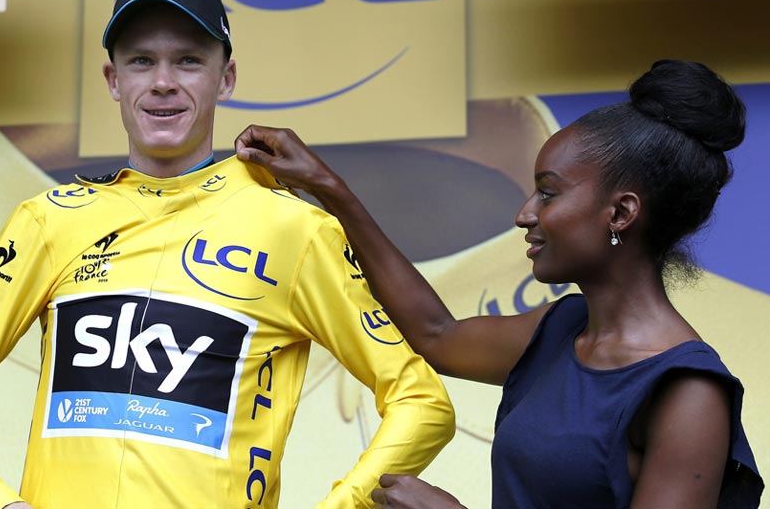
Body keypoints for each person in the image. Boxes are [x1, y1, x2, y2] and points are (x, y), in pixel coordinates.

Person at [0, 0, 455, 509]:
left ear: (226, 77)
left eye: (188, 60)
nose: (162, 81)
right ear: (113, 79)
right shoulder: (50, 220)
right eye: (141, 60)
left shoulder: (293, 229)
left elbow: (422, 403)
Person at [235, 59, 763, 508]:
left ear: (621, 213)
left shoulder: (688, 392)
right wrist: (328, 187)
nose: (524, 214)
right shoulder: (560, 329)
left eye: (548, 194)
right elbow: (436, 334)